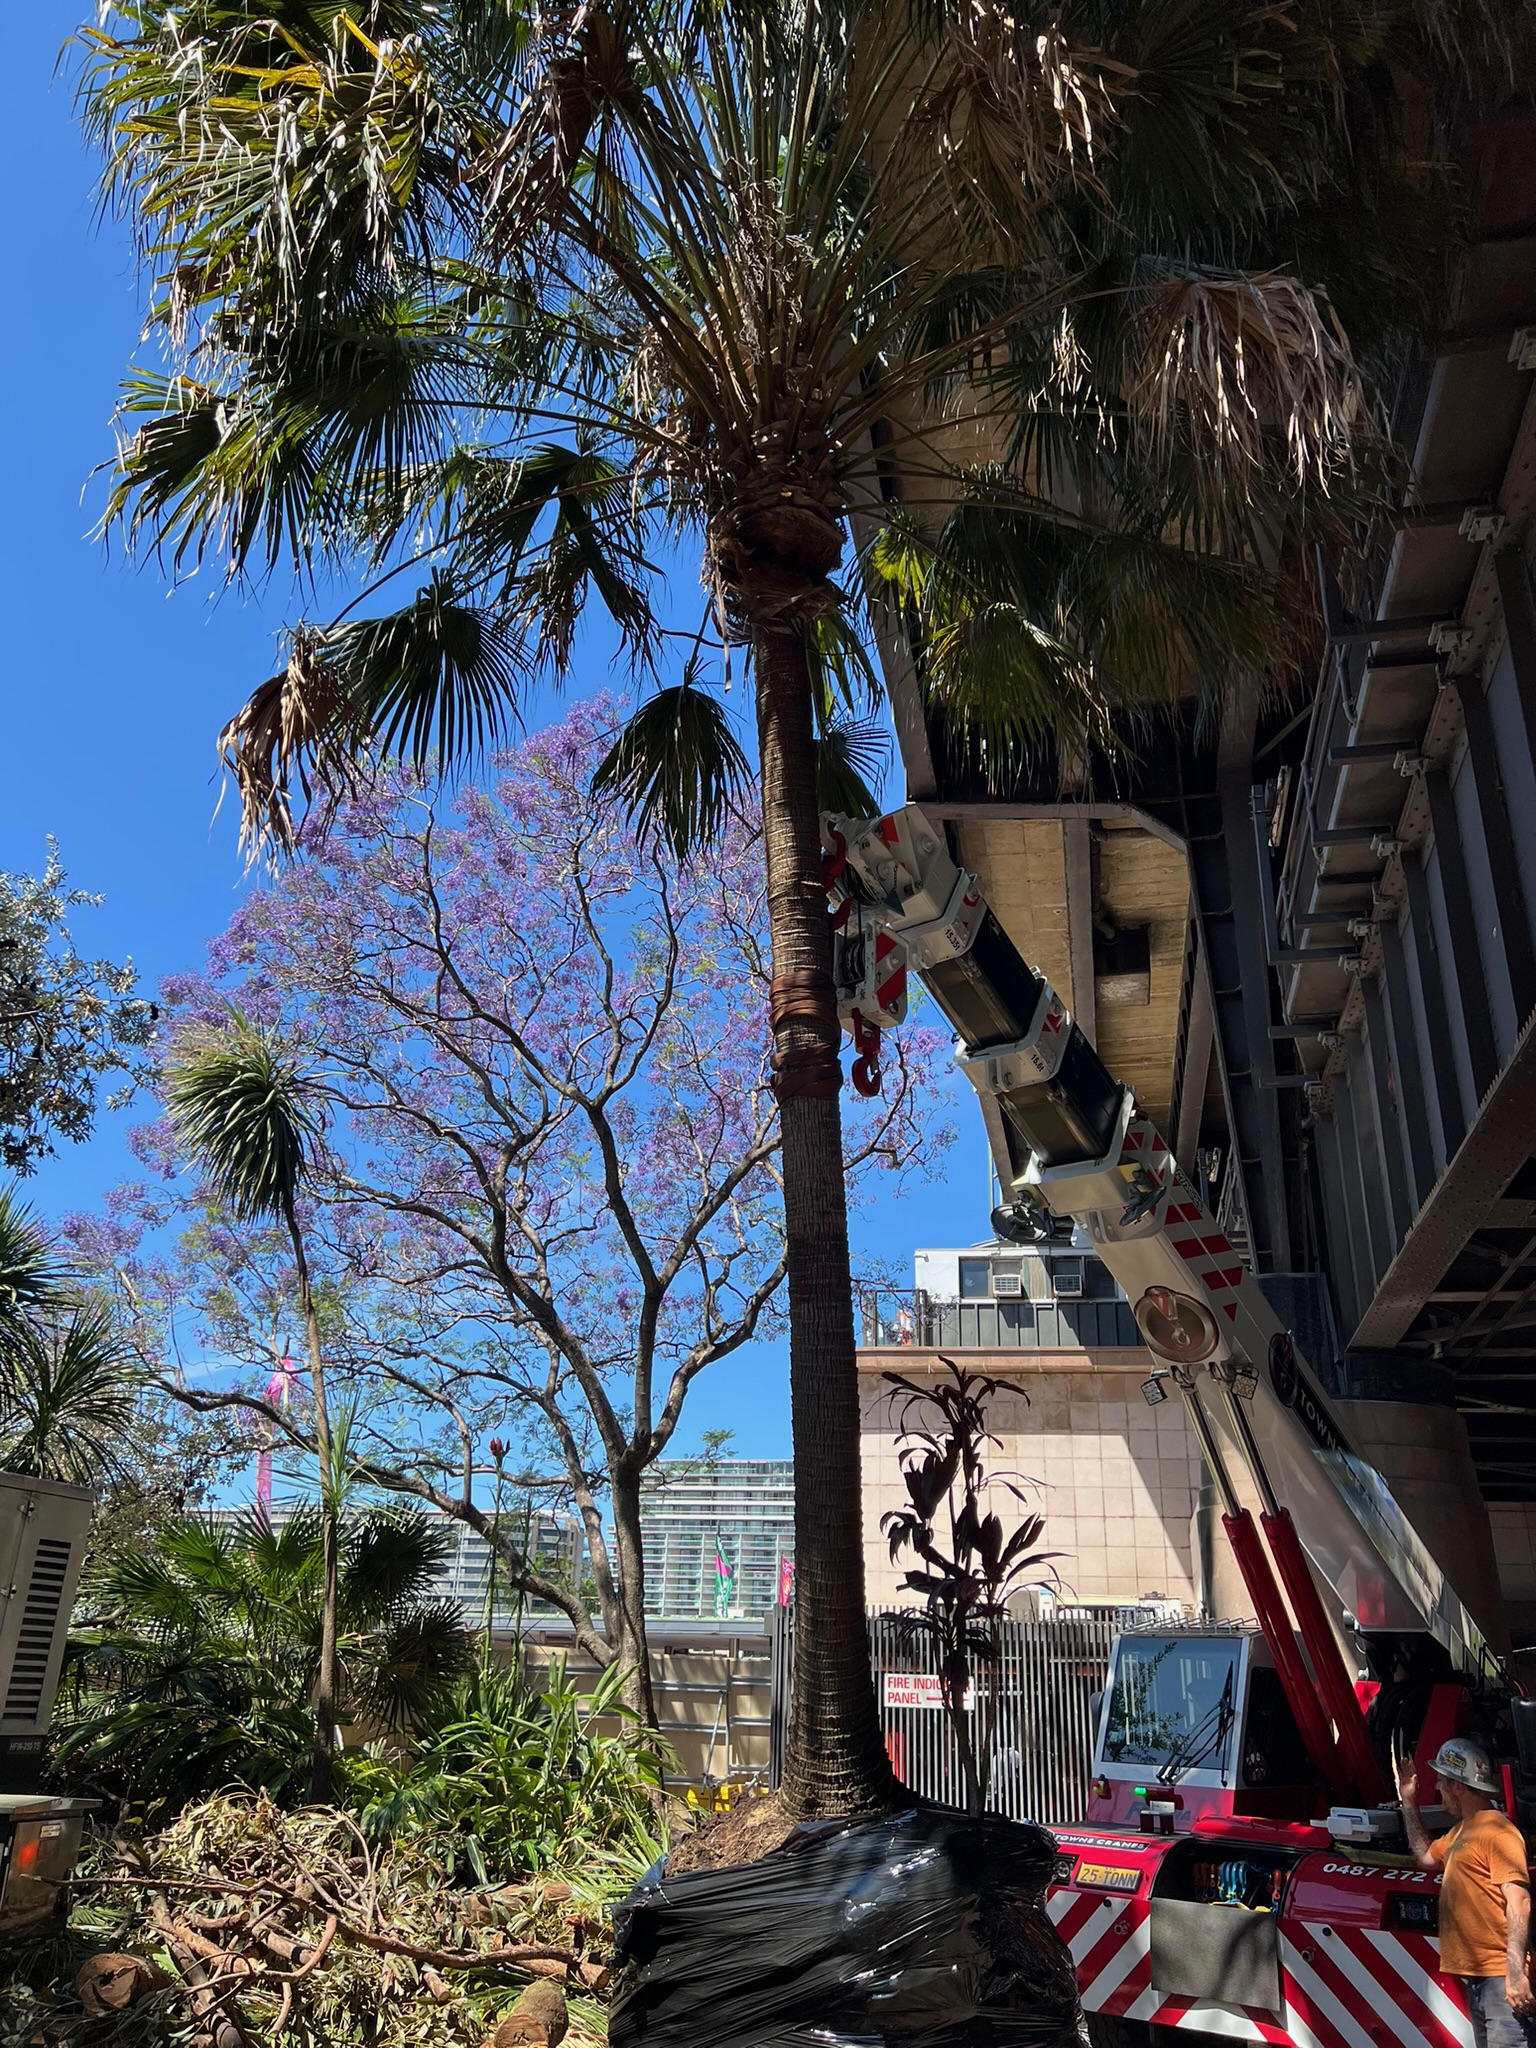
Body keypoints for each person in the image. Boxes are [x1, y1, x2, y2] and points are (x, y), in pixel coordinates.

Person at [1396, 1737, 1535, 2048]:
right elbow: (1424, 1857)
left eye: (1443, 1782)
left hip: (1499, 1979)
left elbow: (1519, 1901)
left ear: (1459, 1786)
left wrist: (1514, 1974)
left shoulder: (1497, 1832)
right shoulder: (1461, 1832)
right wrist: (1408, 1801)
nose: (1439, 1790)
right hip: (1480, 1980)